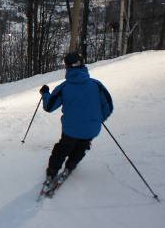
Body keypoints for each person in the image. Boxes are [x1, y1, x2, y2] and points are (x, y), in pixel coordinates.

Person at [39, 52, 113, 184]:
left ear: (67, 67)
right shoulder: (96, 85)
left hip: (71, 130)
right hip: (92, 128)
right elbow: (108, 106)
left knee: (62, 149)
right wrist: (98, 118)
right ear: (82, 65)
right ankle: (70, 166)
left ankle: (52, 172)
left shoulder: (64, 87)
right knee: (82, 146)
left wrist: (45, 93)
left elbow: (49, 107)